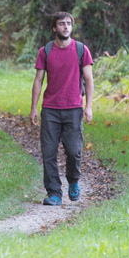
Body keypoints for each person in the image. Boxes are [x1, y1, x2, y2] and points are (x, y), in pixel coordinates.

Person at [30, 11, 94, 206]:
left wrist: (88, 106)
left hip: (74, 108)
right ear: (54, 28)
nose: (66, 27)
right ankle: (54, 193)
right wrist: (33, 108)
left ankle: (73, 181)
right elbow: (38, 81)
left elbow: (89, 79)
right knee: (48, 152)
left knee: (74, 151)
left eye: (68, 24)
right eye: (61, 24)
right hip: (50, 109)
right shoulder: (46, 51)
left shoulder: (81, 50)